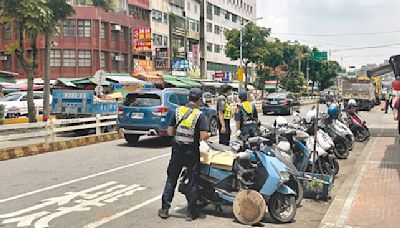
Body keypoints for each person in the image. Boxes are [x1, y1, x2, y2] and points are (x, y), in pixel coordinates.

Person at [158, 88, 209, 221]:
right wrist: (207, 134)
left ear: (188, 98)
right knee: (192, 181)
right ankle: (190, 213)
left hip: (177, 151)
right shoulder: (200, 115)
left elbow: (170, 131)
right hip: (191, 153)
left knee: (171, 179)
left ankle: (164, 209)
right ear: (199, 100)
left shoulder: (178, 111)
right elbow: (204, 136)